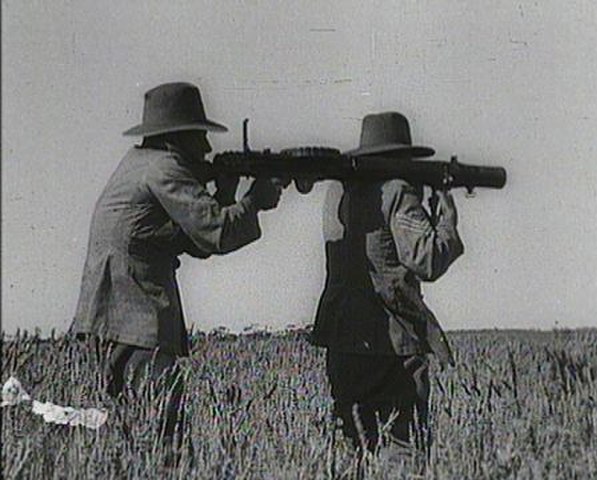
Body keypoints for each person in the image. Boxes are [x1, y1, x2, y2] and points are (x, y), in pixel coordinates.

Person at [70, 82, 282, 459]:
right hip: (137, 328)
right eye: (199, 136)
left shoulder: (138, 165)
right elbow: (217, 233)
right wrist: (255, 201)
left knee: (131, 447)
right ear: (175, 139)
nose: (206, 148)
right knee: (166, 443)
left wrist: (227, 193)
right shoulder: (165, 168)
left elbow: (193, 240)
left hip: (112, 324)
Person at [311, 111, 464, 454]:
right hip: (393, 346)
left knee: (354, 451)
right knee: (403, 449)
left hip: (345, 342)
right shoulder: (397, 191)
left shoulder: (339, 192)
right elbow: (427, 260)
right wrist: (447, 220)